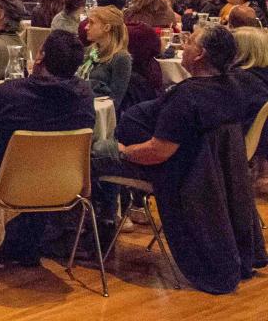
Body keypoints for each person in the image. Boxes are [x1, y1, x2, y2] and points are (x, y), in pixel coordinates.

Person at [91, 25, 247, 255]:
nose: (183, 47)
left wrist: (124, 151)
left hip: (169, 171)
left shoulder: (188, 97)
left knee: (92, 152)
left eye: (190, 42)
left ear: (201, 54)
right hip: (200, 170)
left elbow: (159, 151)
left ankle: (87, 236)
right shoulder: (230, 86)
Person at [0, 30, 95, 266]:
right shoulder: (85, 95)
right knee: (41, 167)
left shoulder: (14, 92)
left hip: (10, 178)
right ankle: (27, 245)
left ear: (40, 56)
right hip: (65, 180)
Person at [79, 6, 133, 106]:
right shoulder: (90, 51)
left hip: (100, 113)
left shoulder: (121, 58)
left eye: (91, 23)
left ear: (106, 28)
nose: (86, 27)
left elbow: (115, 101)